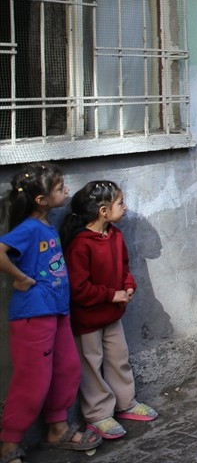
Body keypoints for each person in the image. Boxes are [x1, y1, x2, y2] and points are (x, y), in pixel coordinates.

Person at [0, 164, 103, 462]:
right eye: (59, 188)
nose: (67, 191)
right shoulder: (30, 228)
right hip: (33, 315)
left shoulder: (46, 225)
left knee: (68, 369)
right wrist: (20, 278)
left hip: (57, 311)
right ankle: (8, 445)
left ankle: (57, 428)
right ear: (41, 200)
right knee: (32, 382)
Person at [61, 181, 158, 441]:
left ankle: (125, 402)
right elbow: (78, 288)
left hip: (112, 314)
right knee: (91, 366)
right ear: (103, 211)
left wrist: (127, 286)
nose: (125, 207)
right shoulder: (81, 244)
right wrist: (110, 294)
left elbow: (125, 266)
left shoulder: (114, 235)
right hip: (88, 319)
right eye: (120, 203)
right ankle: (97, 414)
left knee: (118, 359)